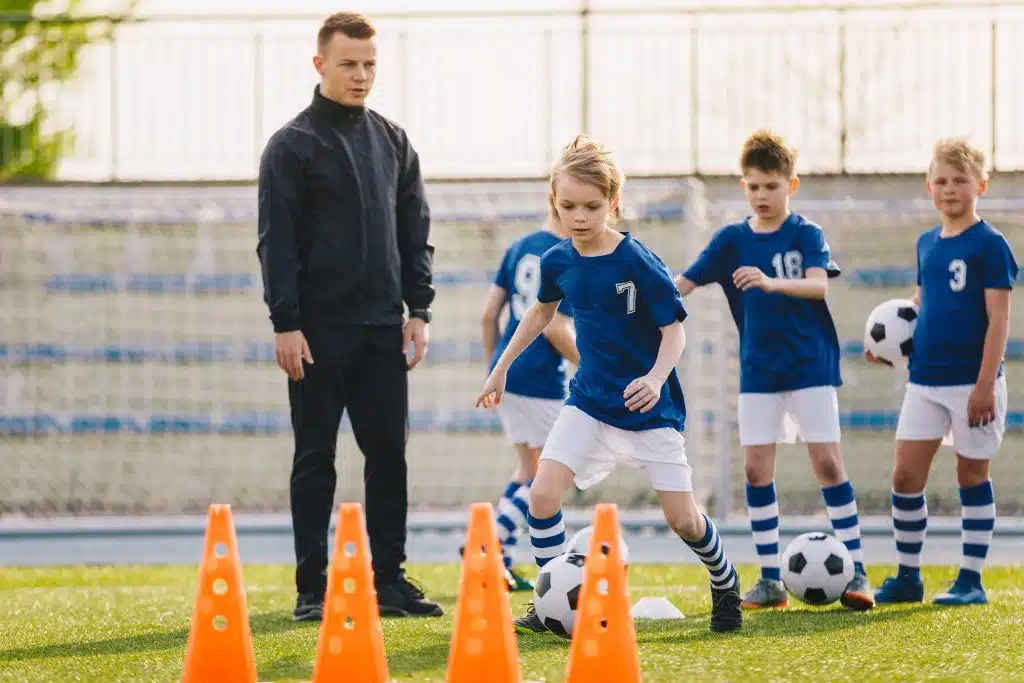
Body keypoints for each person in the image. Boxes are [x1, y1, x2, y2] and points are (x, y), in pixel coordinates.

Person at [476, 135, 744, 635]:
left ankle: (724, 582)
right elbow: (539, 314)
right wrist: (500, 368)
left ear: (614, 203)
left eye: (592, 206)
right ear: (555, 203)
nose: (579, 216)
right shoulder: (557, 260)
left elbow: (674, 331)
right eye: (569, 205)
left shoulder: (636, 260)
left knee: (684, 521)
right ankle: (550, 600)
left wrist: (655, 377)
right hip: (588, 403)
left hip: (648, 409)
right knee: (541, 496)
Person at [256, 12, 442, 621]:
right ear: (320, 65)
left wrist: (419, 311)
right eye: (348, 64)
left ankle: (388, 579)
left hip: (382, 332)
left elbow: (415, 231)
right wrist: (285, 322)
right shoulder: (292, 145)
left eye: (369, 65)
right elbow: (275, 241)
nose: (361, 75)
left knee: (389, 456)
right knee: (315, 458)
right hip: (315, 334)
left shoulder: (393, 140)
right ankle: (313, 586)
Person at [674, 130, 874, 611]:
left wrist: (768, 282)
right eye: (754, 187)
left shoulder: (805, 234)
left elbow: (818, 287)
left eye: (771, 186)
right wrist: (641, 304)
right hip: (759, 371)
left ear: (791, 185)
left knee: (827, 464)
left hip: (810, 366)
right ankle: (769, 580)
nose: (762, 195)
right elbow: (682, 284)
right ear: (744, 187)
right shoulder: (730, 240)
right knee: (756, 470)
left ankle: (857, 571)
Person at [870, 138, 1017, 606]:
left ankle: (970, 580)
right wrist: (886, 346)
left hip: (973, 384)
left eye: (960, 180)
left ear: (981, 184)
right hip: (924, 381)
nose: (950, 189)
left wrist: (984, 386)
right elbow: (919, 306)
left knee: (971, 476)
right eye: (941, 180)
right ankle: (908, 576)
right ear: (928, 186)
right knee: (904, 477)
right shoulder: (926, 242)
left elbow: (999, 319)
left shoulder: (990, 245)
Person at [476, 206, 579, 592]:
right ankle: (489, 543)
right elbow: (553, 327)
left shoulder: (519, 245)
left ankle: (499, 557)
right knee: (554, 473)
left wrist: (494, 368)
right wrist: (591, 364)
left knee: (528, 469)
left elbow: (488, 315)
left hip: (509, 371)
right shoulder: (565, 253)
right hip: (540, 378)